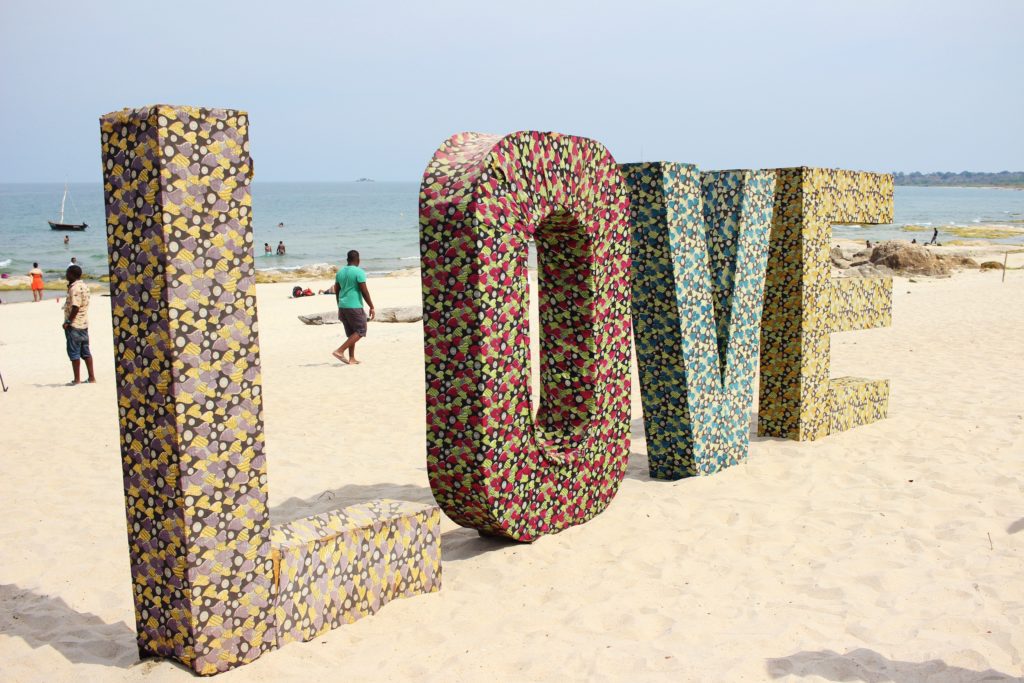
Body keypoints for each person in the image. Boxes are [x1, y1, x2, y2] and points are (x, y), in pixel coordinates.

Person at [331, 249, 375, 365]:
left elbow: (337, 291)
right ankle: (340, 351)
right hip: (354, 306)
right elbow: (364, 291)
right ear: (358, 260)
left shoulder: (339, 273)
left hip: (343, 306)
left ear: (347, 260)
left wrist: (339, 306)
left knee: (352, 333)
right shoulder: (358, 272)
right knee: (361, 330)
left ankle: (352, 358)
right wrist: (371, 306)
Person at [63, 265, 96, 385]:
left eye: (67, 273)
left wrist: (68, 322)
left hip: (75, 325)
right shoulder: (84, 286)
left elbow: (75, 307)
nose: (66, 275)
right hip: (84, 324)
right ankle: (92, 378)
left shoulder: (75, 288)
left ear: (72, 274)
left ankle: (77, 380)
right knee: (86, 351)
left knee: (74, 352)